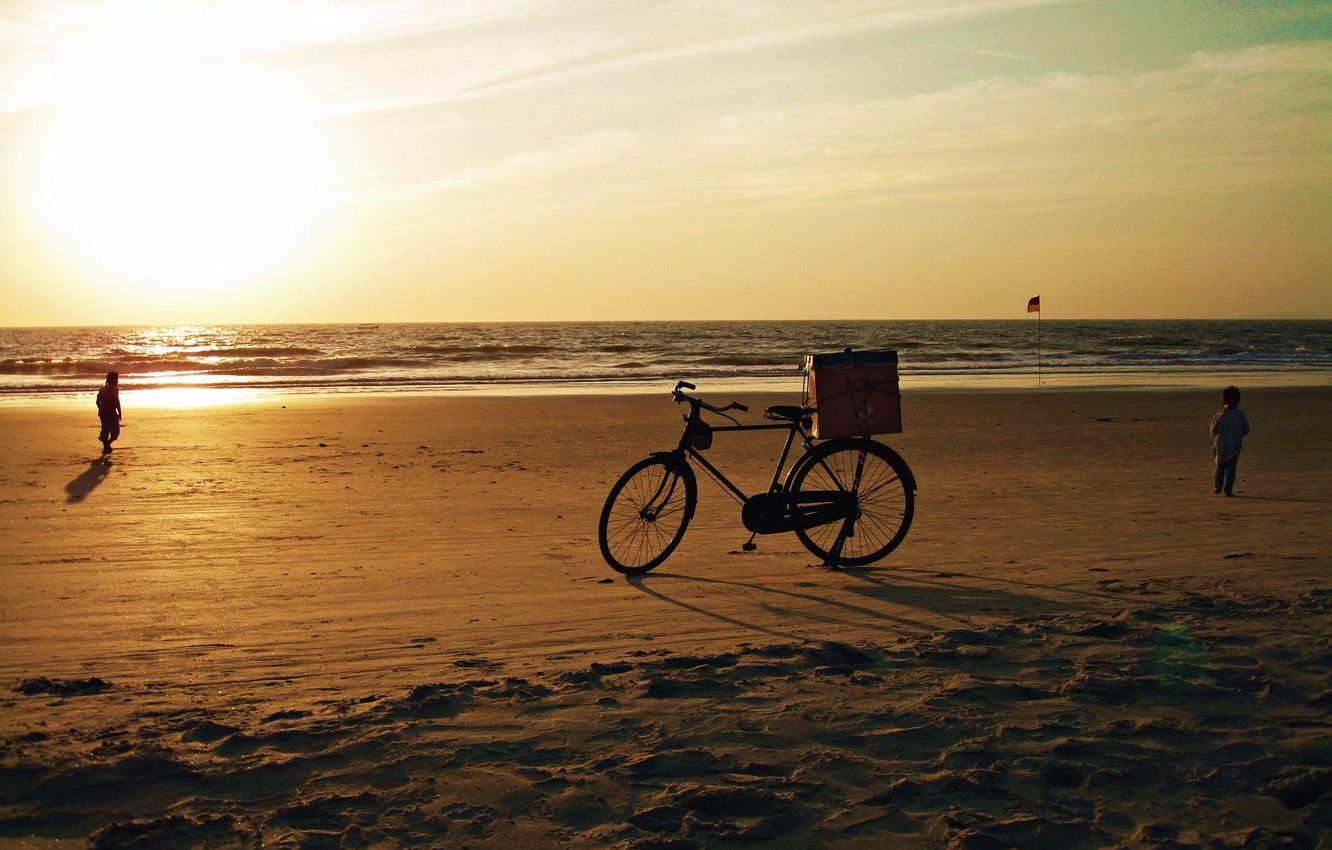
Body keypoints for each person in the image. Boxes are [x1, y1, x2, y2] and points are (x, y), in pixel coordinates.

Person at [1210, 385, 1248, 496]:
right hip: (1235, 444)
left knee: (1220, 466)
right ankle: (1228, 488)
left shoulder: (1219, 416)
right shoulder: (1240, 415)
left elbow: (1213, 430)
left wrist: (1216, 439)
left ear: (1223, 400)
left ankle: (1218, 485)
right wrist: (1238, 435)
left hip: (1221, 444)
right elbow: (1246, 429)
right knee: (1231, 468)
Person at [96, 372, 121, 455]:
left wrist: (101, 408)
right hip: (111, 412)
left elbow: (97, 401)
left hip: (103, 412)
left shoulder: (102, 389)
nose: (117, 382)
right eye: (116, 380)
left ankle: (106, 446)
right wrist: (119, 412)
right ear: (113, 380)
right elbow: (116, 401)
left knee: (105, 430)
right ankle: (108, 444)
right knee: (116, 430)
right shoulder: (114, 389)